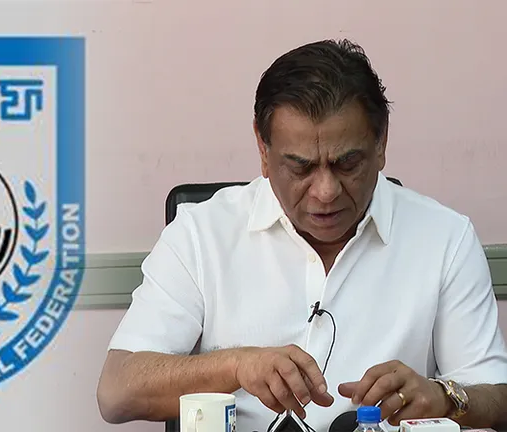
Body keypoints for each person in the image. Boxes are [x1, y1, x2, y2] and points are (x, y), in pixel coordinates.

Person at [96, 39, 507, 431]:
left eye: (347, 164)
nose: (325, 191)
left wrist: (446, 398)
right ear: (263, 150)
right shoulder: (201, 234)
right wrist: (236, 365)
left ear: (381, 142)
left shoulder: (445, 237)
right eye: (300, 167)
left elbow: (498, 398)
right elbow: (117, 392)